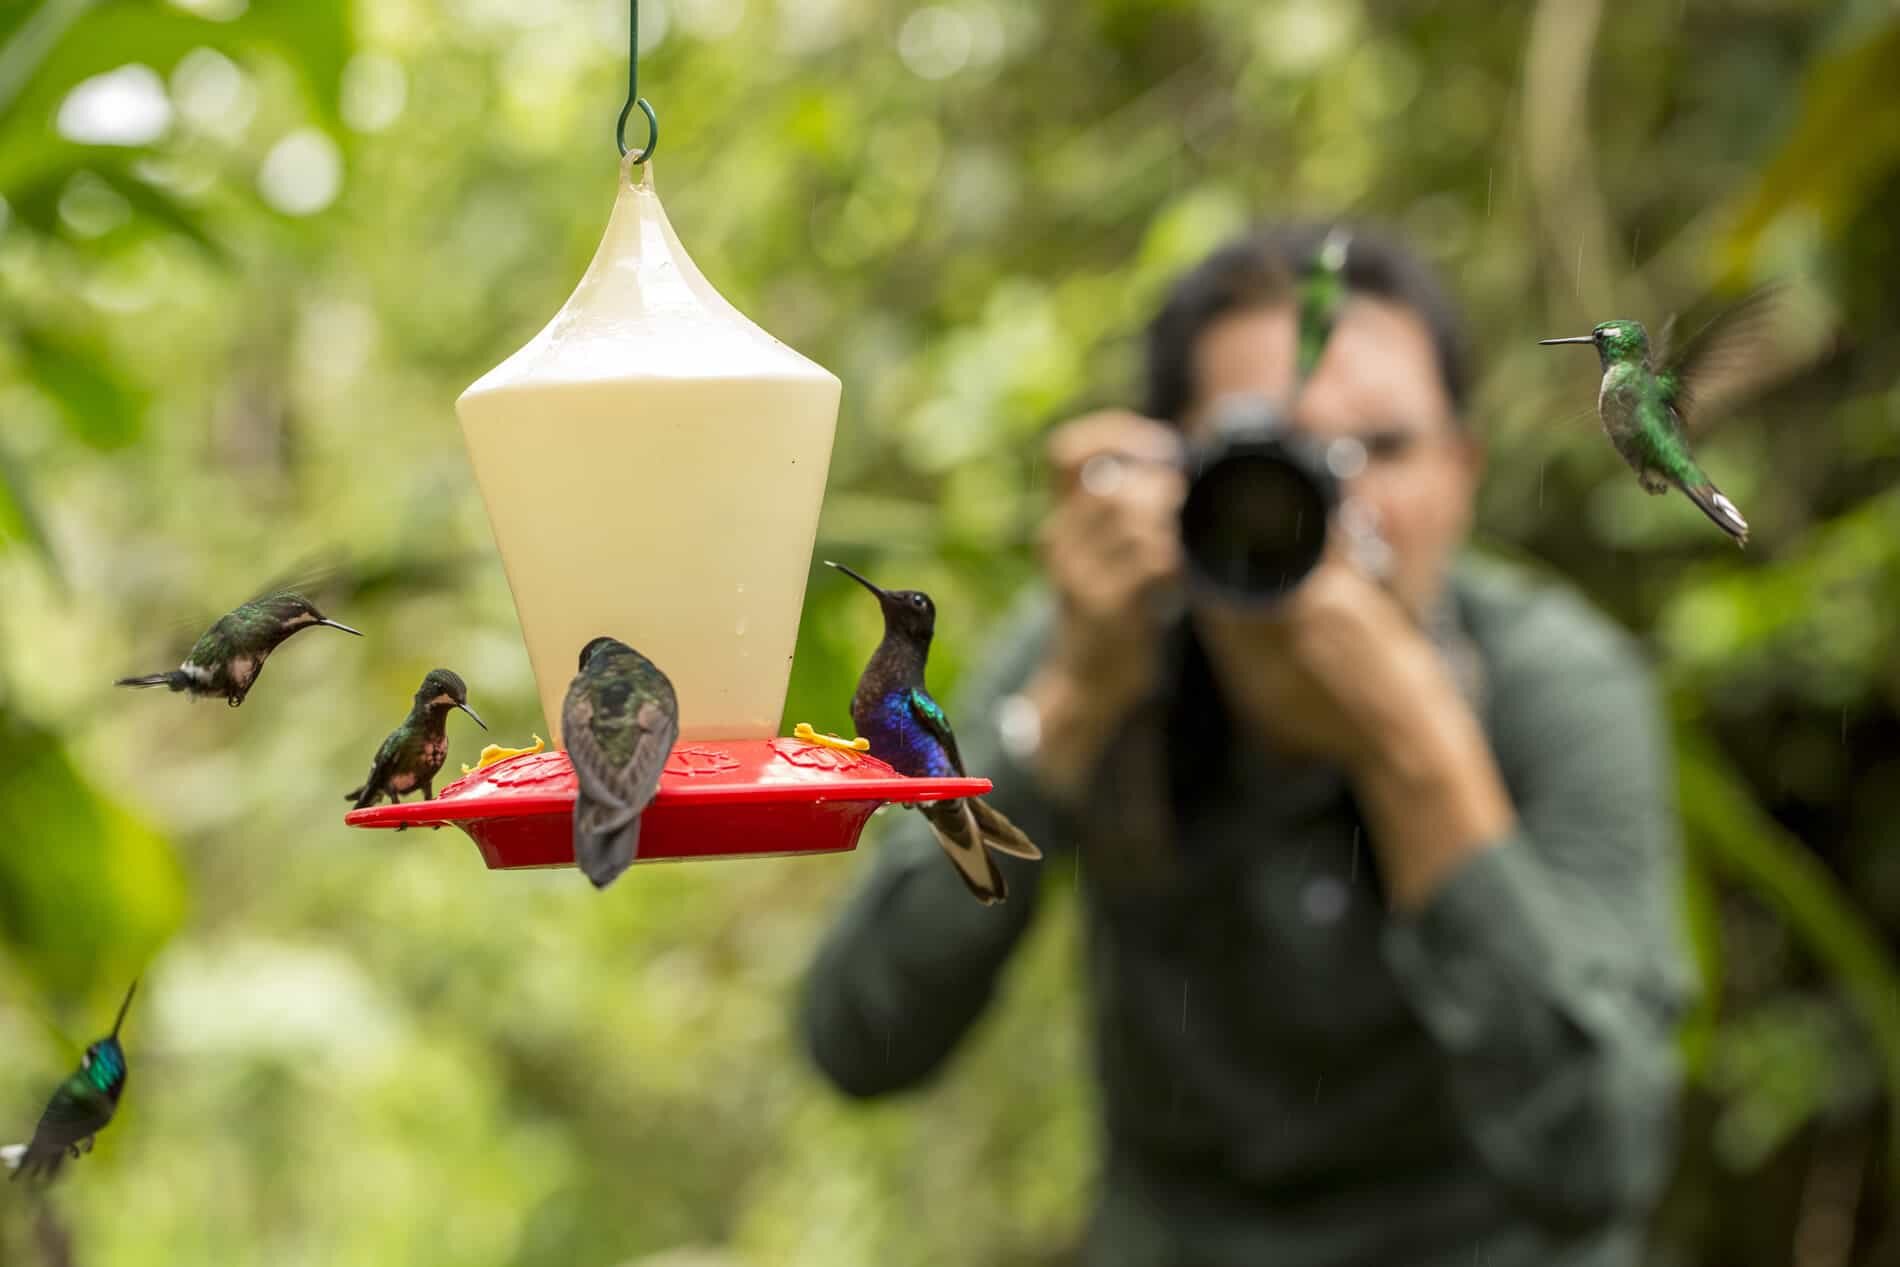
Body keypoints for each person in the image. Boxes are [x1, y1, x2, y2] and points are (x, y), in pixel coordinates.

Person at [796, 223, 1694, 1267]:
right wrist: (1069, 712)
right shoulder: (1101, 641)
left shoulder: (1552, 681)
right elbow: (859, 1036)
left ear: (1463, 467)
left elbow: (1601, 1162)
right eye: (1274, 452)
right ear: (1168, 472)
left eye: (1383, 449)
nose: (1329, 499)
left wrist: (1416, 746)